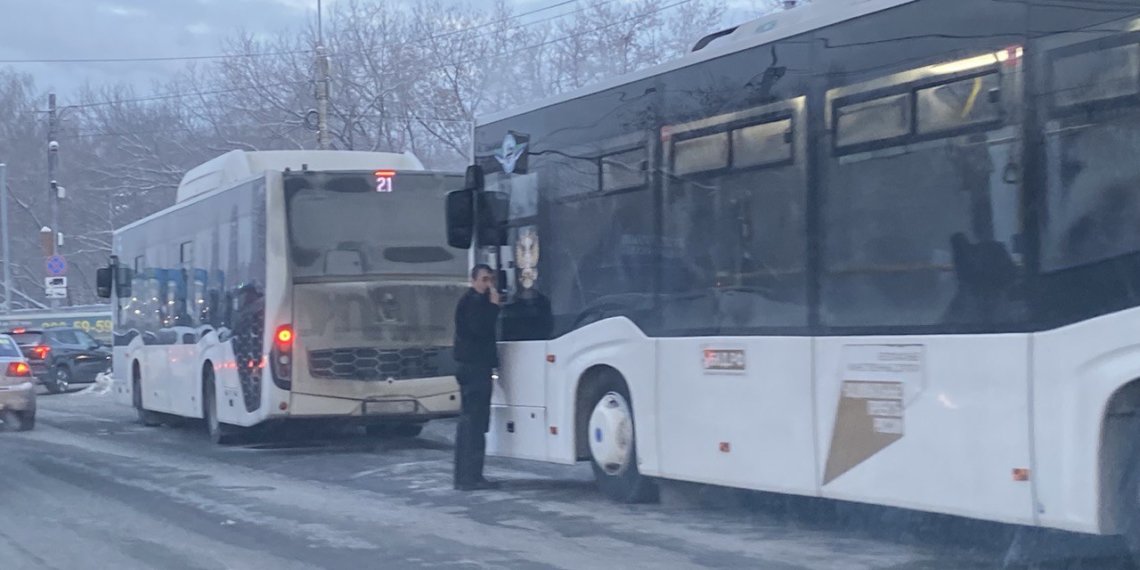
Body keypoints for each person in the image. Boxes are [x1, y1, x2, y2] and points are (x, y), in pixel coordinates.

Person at [452, 264, 502, 491]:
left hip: (474, 367)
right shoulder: (473, 303)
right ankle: (469, 477)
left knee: (474, 422)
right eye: (484, 279)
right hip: (474, 368)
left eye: (490, 279)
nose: (488, 284)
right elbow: (480, 329)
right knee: (473, 423)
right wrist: (493, 307)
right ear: (473, 280)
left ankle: (469, 475)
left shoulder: (474, 302)